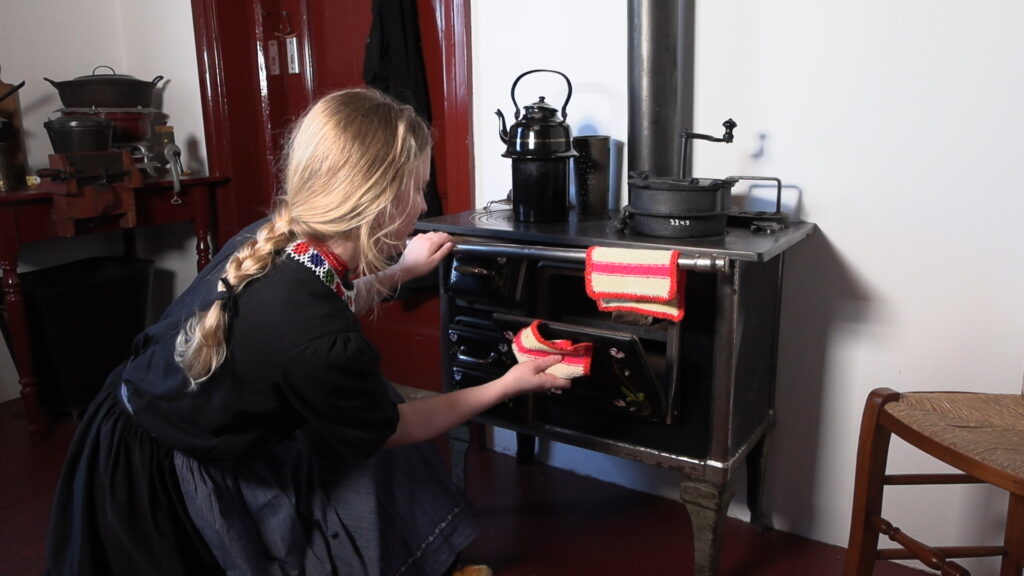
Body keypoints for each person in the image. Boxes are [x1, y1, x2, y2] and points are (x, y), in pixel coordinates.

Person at [45, 87, 571, 576]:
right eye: (416, 188)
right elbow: (393, 428)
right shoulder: (317, 337)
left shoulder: (274, 240)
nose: (423, 206)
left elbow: (321, 300)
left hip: (138, 408)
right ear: (378, 200)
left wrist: (400, 272)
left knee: (358, 409)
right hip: (151, 474)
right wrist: (507, 384)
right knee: (373, 423)